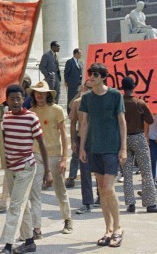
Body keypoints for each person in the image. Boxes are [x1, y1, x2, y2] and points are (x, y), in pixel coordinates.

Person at [0, 84, 52, 254]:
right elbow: (4, 139)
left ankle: (8, 244)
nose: (15, 102)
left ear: (23, 100)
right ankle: (29, 241)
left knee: (14, 205)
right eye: (12, 98)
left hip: (26, 167)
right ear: (7, 100)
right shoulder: (5, 118)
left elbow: (42, 145)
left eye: (18, 99)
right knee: (22, 205)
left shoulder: (31, 118)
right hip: (11, 167)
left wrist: (48, 171)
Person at [79, 63, 126, 248]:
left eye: (96, 74)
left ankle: (118, 228)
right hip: (94, 147)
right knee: (101, 189)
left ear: (104, 76)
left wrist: (123, 148)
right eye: (91, 73)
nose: (92, 76)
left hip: (111, 147)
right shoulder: (87, 98)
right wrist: (82, 147)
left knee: (108, 188)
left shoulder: (115, 95)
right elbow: (85, 123)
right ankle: (107, 229)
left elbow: (122, 122)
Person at [25, 81, 73, 238]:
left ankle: (67, 219)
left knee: (60, 190)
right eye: (36, 92)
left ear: (48, 95)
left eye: (42, 92)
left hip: (54, 155)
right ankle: (37, 228)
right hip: (37, 155)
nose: (39, 95)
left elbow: (64, 136)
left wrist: (65, 158)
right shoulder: (30, 112)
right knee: (35, 192)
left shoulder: (57, 110)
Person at [120, 77, 157, 213]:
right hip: (138, 136)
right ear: (134, 87)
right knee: (146, 171)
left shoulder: (119, 103)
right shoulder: (139, 103)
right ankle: (150, 203)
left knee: (127, 172)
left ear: (122, 87)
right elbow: (150, 120)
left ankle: (130, 203)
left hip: (124, 138)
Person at [69, 81, 96, 214]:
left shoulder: (101, 101)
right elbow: (73, 123)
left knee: (100, 172)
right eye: (87, 87)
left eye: (92, 87)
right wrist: (73, 141)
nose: (89, 89)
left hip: (98, 140)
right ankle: (87, 202)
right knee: (85, 172)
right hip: (82, 140)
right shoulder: (77, 102)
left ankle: (101, 198)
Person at [64, 48, 83, 115]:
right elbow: (66, 72)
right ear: (76, 54)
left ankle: (75, 112)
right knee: (71, 98)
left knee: (76, 98)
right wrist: (66, 81)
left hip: (78, 84)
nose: (81, 55)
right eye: (80, 53)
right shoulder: (70, 62)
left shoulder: (79, 62)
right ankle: (69, 112)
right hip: (72, 83)